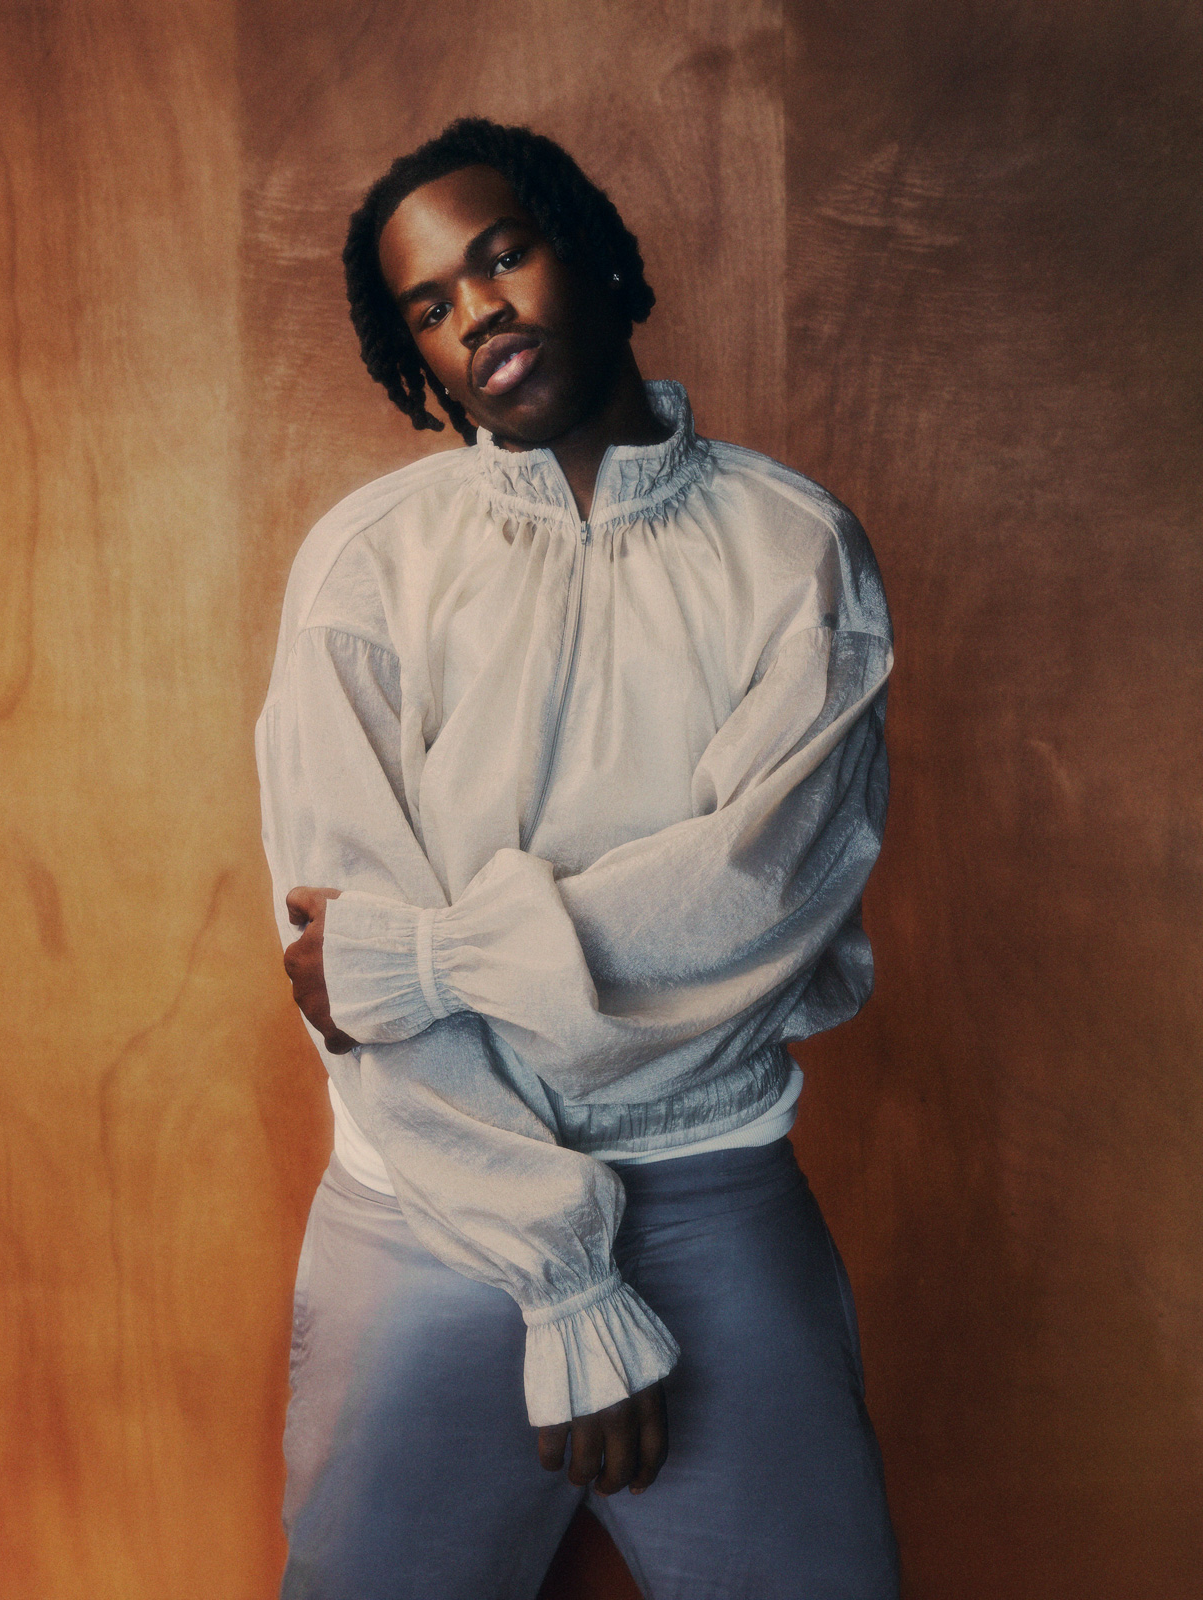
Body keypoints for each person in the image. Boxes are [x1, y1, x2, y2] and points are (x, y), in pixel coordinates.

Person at [256, 116, 900, 1600]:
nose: (478, 313)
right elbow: (343, 962)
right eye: (431, 306)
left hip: (709, 1196)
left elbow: (746, 916)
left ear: (592, 250)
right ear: (415, 357)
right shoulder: (366, 562)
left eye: (503, 256)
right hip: (425, 1211)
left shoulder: (796, 551)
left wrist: (426, 961)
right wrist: (561, 1276)